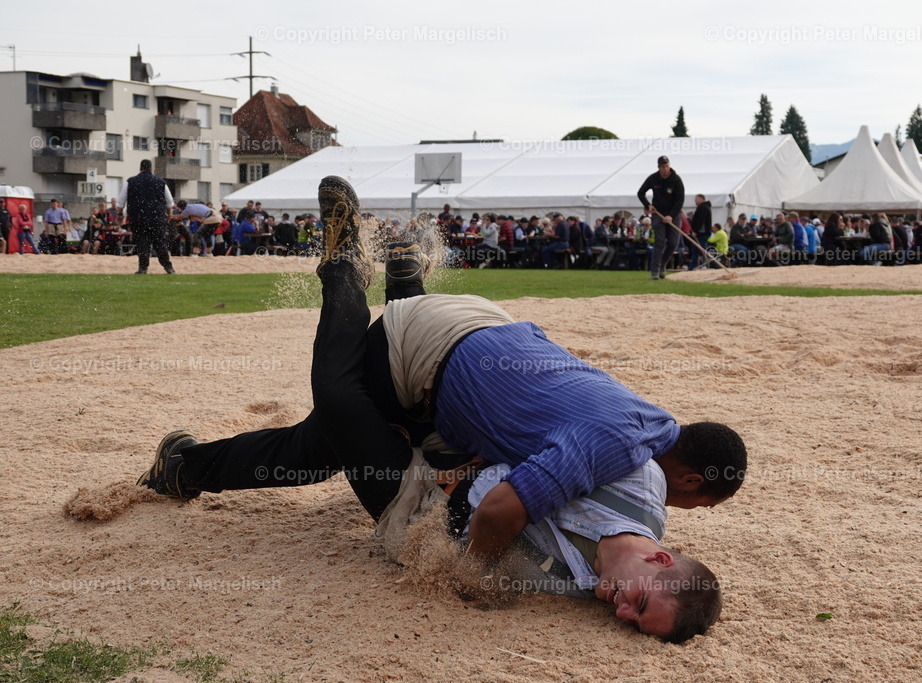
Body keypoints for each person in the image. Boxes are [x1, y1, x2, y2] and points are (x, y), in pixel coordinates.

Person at [137, 176, 740, 642]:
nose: (622, 612)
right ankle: (347, 266)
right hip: (424, 359)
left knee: (317, 448)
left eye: (633, 622)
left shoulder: (645, 436)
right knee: (338, 402)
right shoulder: (632, 470)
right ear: (660, 555)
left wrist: (471, 472)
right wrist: (469, 577)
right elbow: (501, 510)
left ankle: (185, 467)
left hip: (481, 339)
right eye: (641, 603)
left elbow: (520, 462)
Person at [118, 159, 175, 274]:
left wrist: (120, 215)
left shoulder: (131, 181)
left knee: (142, 243)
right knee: (160, 243)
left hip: (138, 218)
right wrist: (169, 215)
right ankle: (168, 267)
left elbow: (121, 202)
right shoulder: (160, 182)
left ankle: (143, 268)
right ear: (151, 169)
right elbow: (169, 202)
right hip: (156, 218)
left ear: (140, 169)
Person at [636, 156, 684, 279]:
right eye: (663, 166)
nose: (665, 168)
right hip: (657, 213)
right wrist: (648, 205)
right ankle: (655, 271)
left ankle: (663, 264)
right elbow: (640, 193)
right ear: (659, 167)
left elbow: (680, 200)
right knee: (660, 241)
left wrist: (671, 215)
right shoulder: (653, 178)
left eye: (667, 166)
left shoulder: (676, 180)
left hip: (674, 214)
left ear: (669, 165)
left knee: (673, 242)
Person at [688, 194, 712, 271]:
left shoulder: (703, 208)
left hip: (701, 233)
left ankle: (704, 265)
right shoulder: (703, 207)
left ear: (701, 199)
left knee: (702, 251)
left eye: (696, 199)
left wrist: (696, 230)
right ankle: (693, 267)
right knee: (695, 251)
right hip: (700, 233)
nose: (695, 201)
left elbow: (700, 221)